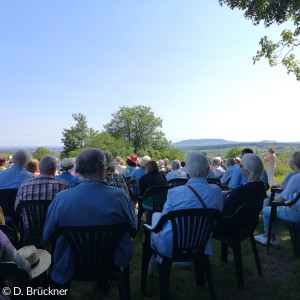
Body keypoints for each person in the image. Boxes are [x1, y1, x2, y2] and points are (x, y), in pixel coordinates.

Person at [43, 148, 137, 286]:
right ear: (101, 169)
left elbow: (47, 235)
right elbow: (134, 227)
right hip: (112, 261)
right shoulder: (120, 197)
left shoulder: (61, 199)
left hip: (72, 263)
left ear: (78, 169)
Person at [150, 152, 223, 258]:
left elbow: (161, 224)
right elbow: (217, 217)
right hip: (201, 243)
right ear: (208, 171)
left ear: (188, 170)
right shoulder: (216, 191)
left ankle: (155, 266)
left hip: (172, 245)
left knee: (155, 215)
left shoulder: (174, 192)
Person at [14, 155, 70, 245]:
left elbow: (17, 208)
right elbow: (68, 209)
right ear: (54, 170)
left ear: (39, 168)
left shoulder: (24, 185)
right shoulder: (63, 185)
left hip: (30, 230)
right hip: (56, 229)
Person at [254, 151, 300, 246]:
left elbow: (281, 199)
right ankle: (271, 236)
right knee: (274, 210)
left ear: (295, 163)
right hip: (295, 207)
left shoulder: (296, 177)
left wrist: (274, 201)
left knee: (267, 210)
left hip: (297, 212)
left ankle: (268, 236)